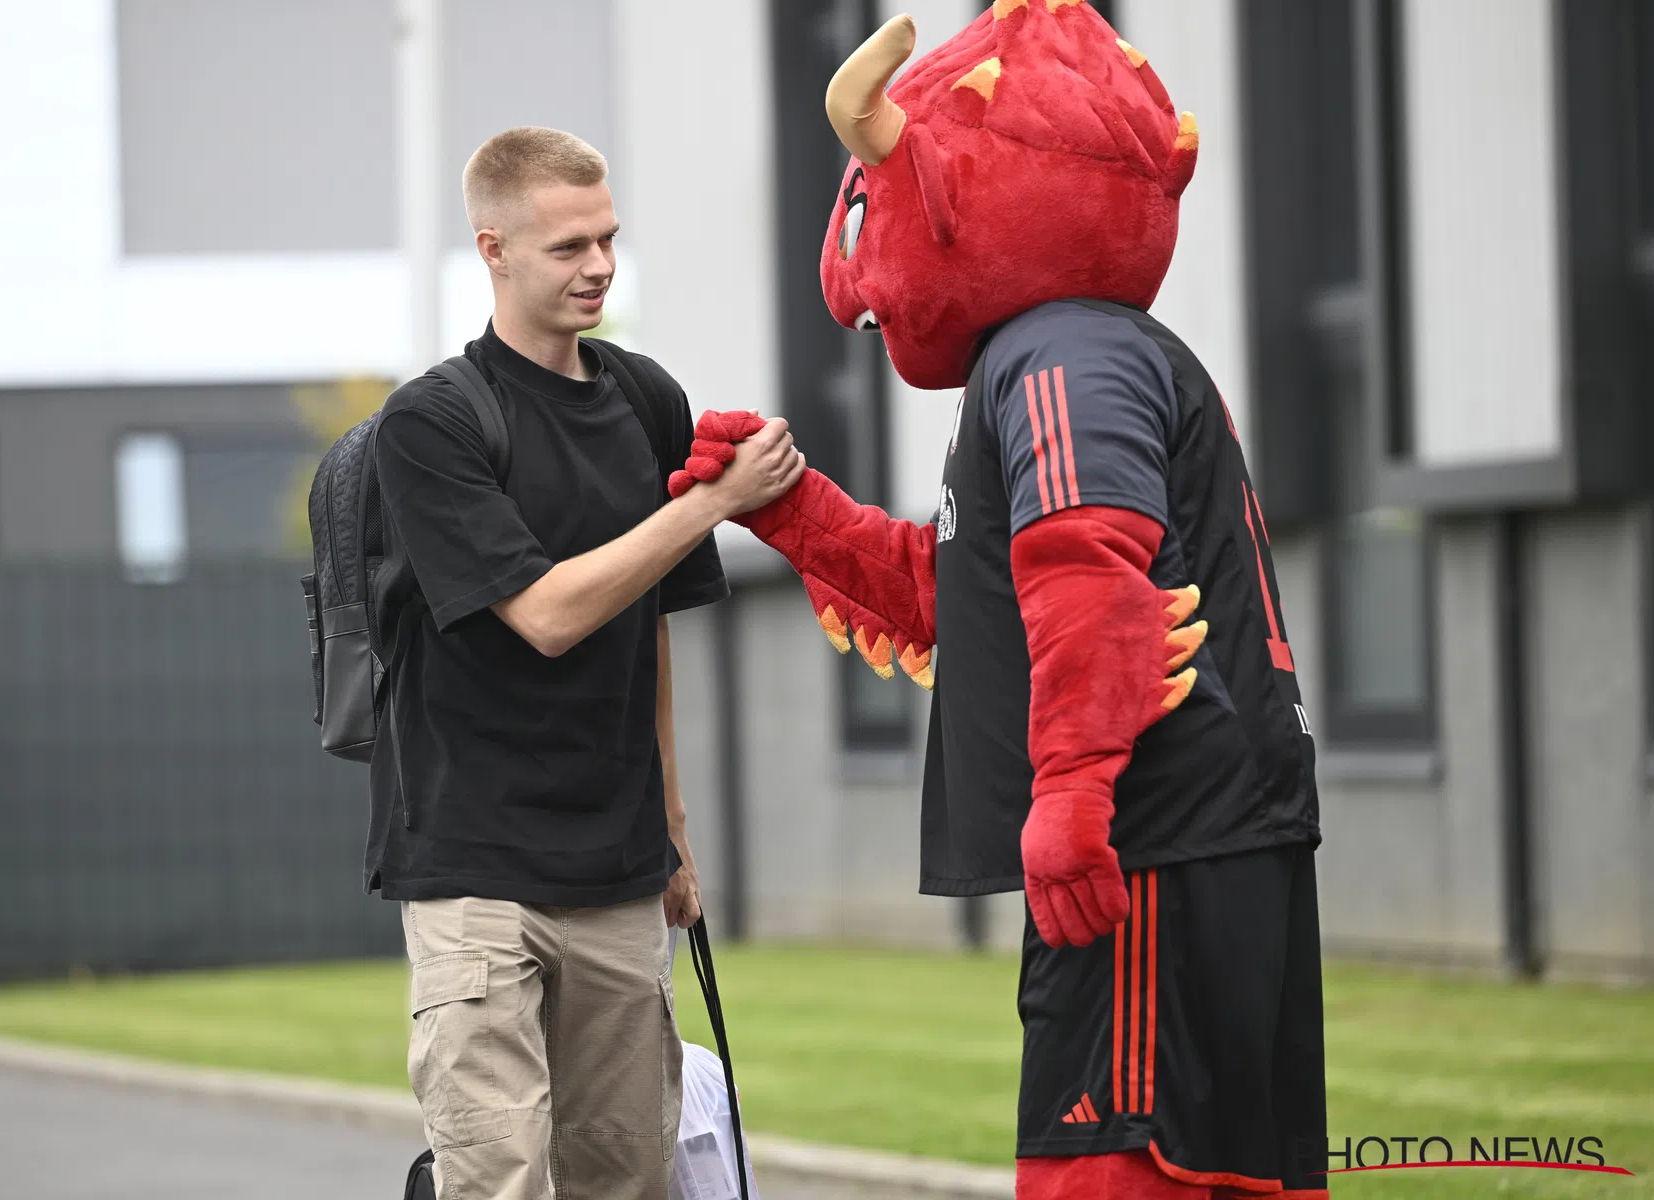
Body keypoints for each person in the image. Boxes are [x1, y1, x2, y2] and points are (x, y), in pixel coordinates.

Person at [669, 6, 1327, 1199]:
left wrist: (1073, 794)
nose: (856, 287)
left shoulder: (1064, 351)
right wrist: (798, 512)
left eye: (877, 199)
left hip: (1155, 838)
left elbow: (1090, 564)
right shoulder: (1066, 351)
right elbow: (975, 599)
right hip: (1188, 837)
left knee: (1112, 1175)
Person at [367, 126, 803, 1200]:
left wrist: (674, 832)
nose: (598, 266)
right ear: (495, 249)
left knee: (628, 1178)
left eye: (608, 239)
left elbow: (643, 625)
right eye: (568, 247)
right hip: (473, 873)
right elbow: (550, 615)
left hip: (616, 873)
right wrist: (711, 503)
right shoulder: (431, 425)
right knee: (499, 1175)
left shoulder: (645, 399)